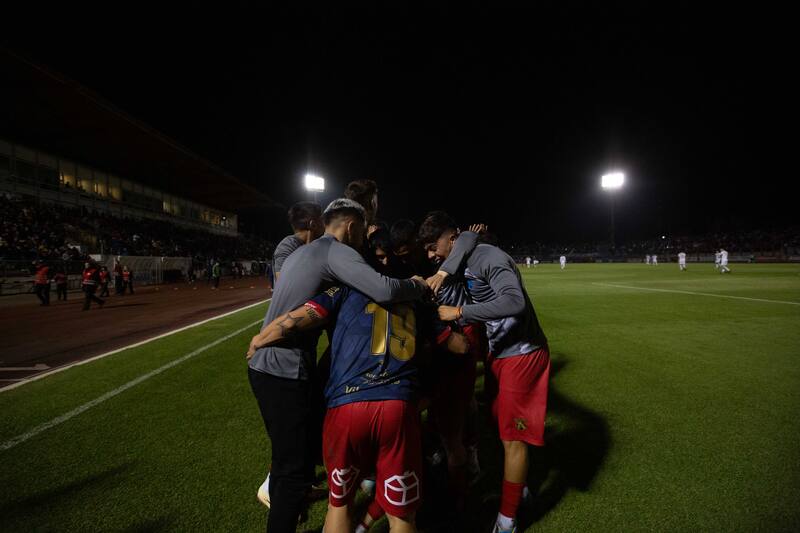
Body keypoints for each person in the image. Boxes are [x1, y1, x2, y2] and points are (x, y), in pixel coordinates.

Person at [246, 198, 428, 533]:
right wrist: (417, 285)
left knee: (304, 459)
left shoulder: (305, 250)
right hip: (286, 369)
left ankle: (306, 493)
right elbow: (384, 290)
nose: (361, 247)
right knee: (293, 474)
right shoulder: (337, 250)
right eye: (361, 235)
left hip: (270, 365)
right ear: (352, 226)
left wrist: (264, 335)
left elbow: (301, 311)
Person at [248, 281, 445, 532]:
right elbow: (448, 347)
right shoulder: (415, 293)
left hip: (347, 404)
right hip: (398, 404)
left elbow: (299, 318)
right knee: (402, 516)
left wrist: (260, 339)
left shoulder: (345, 287)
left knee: (339, 505)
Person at [419, 211, 550, 533]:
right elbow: (464, 240)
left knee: (512, 438)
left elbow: (514, 301)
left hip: (523, 353)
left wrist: (462, 312)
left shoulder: (490, 257)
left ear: (452, 239)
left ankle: (507, 521)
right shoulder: (462, 257)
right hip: (500, 354)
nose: (431, 255)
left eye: (433, 246)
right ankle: (518, 491)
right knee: (497, 423)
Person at [273, 202, 324, 283]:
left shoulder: (318, 244)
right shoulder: (287, 245)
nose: (324, 224)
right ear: (313, 224)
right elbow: (283, 284)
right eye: (321, 220)